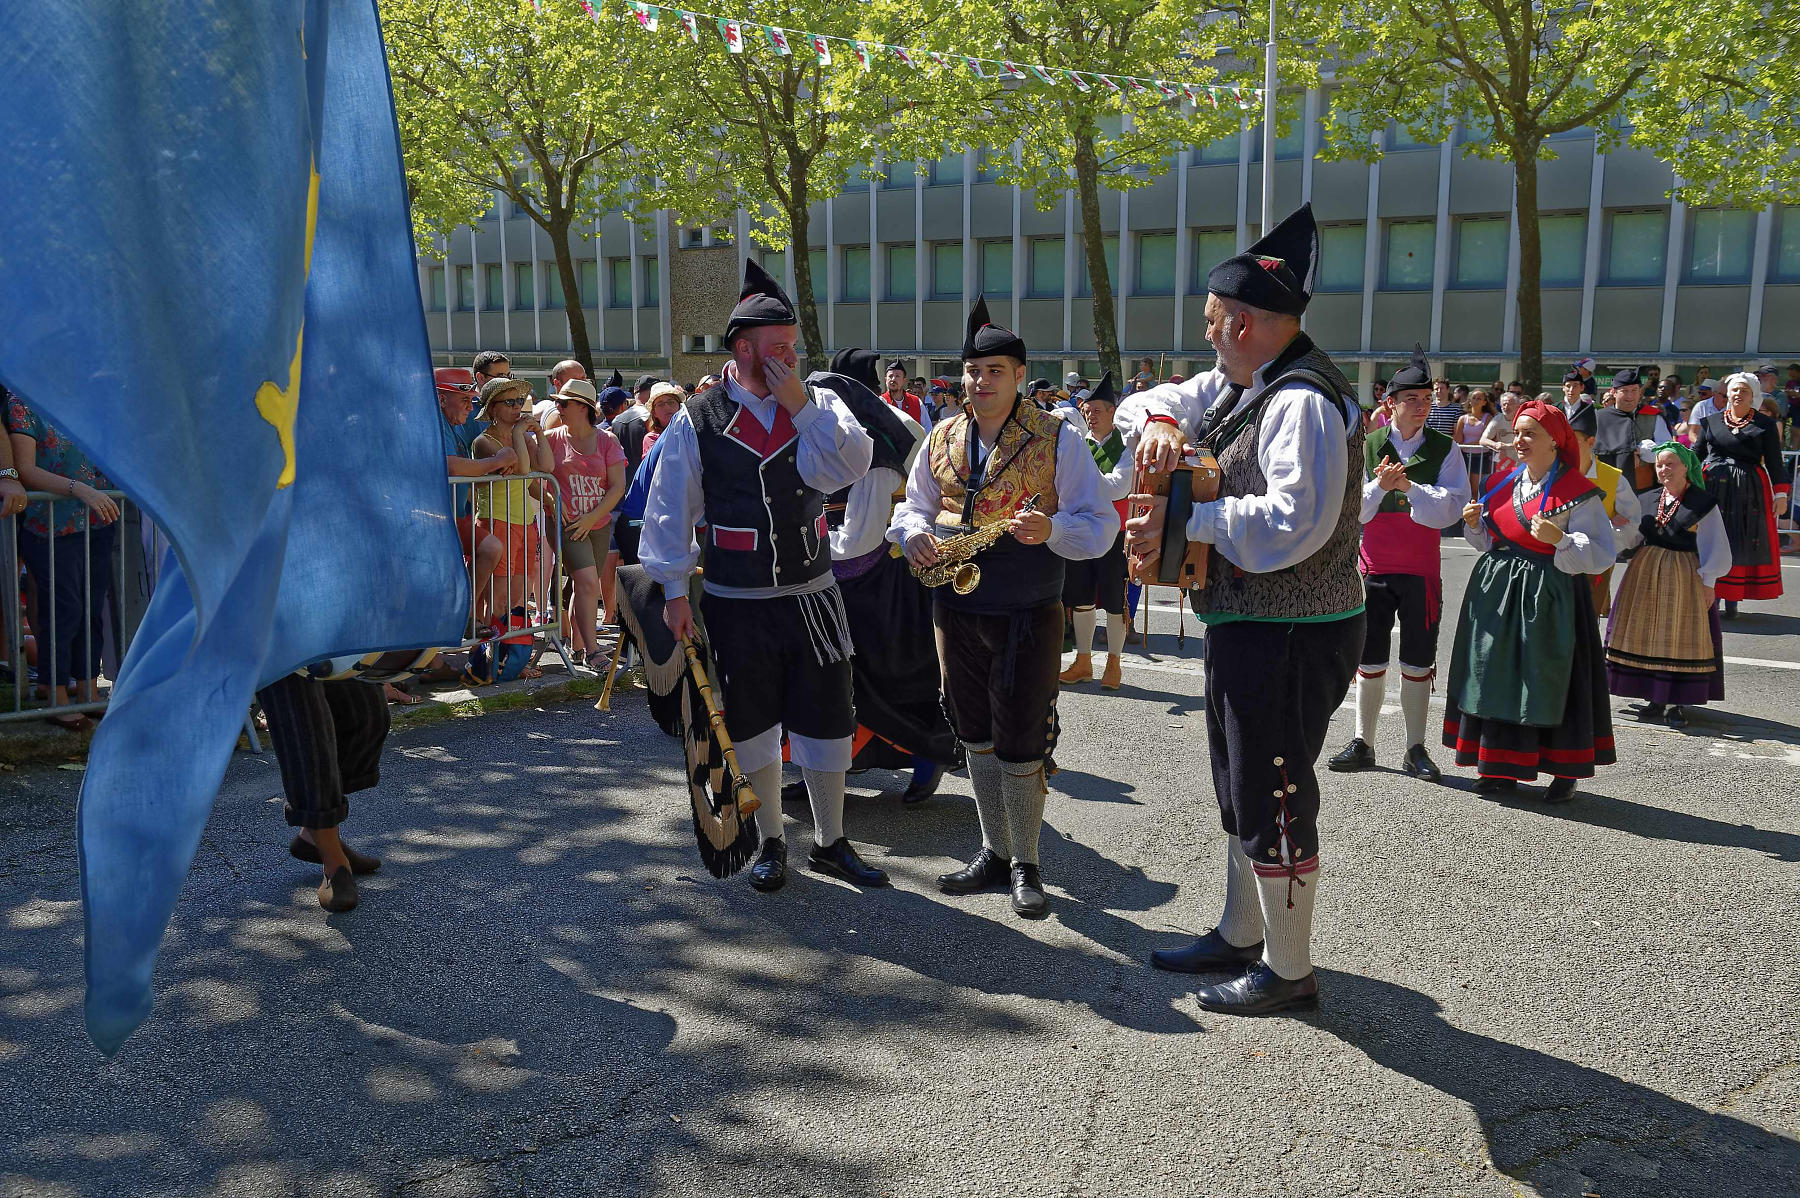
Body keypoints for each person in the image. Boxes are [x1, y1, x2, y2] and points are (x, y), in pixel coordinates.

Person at [1120, 203, 1364, 1015]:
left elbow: (1294, 526)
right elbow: (1160, 398)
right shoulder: (1252, 379)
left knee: (1277, 793)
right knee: (1241, 786)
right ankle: (1240, 933)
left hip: (1291, 629)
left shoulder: (1302, 401)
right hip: (1254, 623)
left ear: (1249, 323)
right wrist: (1158, 418)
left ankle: (1289, 971)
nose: (1209, 337)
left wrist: (1194, 519)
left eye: (1216, 323)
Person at [642, 259, 883, 893]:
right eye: (779, 348)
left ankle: (831, 840)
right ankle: (772, 837)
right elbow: (670, 510)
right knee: (750, 721)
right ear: (743, 348)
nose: (790, 358)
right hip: (735, 598)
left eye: (794, 348)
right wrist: (673, 591)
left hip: (811, 592)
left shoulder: (818, 403)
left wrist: (801, 405)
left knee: (829, 714)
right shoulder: (697, 419)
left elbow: (851, 465)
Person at [890, 298, 1116, 920]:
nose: (980, 381)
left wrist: (1051, 530)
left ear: (1019, 376)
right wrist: (910, 531)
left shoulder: (1057, 436)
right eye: (972, 370)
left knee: (1020, 736)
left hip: (1026, 606)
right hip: (955, 604)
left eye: (994, 370)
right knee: (974, 733)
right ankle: (993, 849)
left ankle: (1027, 861)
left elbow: (1100, 525)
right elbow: (912, 503)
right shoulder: (941, 435)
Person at [1445, 400, 1617, 803]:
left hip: (1552, 596)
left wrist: (1561, 540)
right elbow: (1490, 542)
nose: (1518, 440)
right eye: (1516, 433)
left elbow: (1602, 552)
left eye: (1529, 434)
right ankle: (1499, 767)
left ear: (1555, 442)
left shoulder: (1577, 493)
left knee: (1548, 677)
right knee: (1496, 675)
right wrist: (1475, 527)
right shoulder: (1502, 484)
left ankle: (1564, 769)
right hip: (1499, 594)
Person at [814, 348, 957, 801]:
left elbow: (860, 536)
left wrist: (807, 544)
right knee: (848, 679)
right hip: (856, 576)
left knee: (892, 677)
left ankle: (926, 757)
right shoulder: (859, 435)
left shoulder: (877, 444)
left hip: (880, 579)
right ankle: (843, 762)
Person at [1329, 348, 1470, 783]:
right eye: (1411, 399)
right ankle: (1363, 742)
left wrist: (1410, 488)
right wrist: (1379, 486)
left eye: (1426, 399)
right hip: (1373, 569)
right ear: (1391, 403)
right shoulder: (1370, 446)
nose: (1421, 405)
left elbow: (1453, 508)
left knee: (1417, 659)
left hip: (1421, 571)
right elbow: (1354, 511)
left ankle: (1414, 747)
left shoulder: (1446, 449)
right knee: (1369, 658)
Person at [6, 391, 120, 729]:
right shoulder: (22, 400)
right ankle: (57, 696)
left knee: (91, 608)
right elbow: (25, 470)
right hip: (51, 524)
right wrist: (80, 489)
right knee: (64, 609)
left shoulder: (84, 396)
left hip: (99, 520)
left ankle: (88, 690)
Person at [1604, 441, 1730, 729]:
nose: (1663, 469)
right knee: (1646, 632)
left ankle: (1675, 703)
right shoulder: (1647, 499)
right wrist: (1617, 526)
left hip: (1684, 573)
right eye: (1660, 464)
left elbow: (1714, 544)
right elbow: (1633, 539)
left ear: (1686, 467)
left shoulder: (1702, 502)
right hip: (1645, 571)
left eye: (1670, 463)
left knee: (1678, 635)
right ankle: (1655, 698)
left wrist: (1709, 581)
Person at [256, 673, 390, 912]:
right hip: (264, 643)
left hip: (323, 635)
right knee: (305, 728)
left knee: (368, 713)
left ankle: (312, 837)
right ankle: (333, 861)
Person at [1693, 371, 1790, 617]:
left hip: (1748, 491)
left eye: (1744, 391)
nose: (1738, 394)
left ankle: (1732, 599)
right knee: (1710, 540)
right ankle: (1709, 595)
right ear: (1727, 394)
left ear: (1753, 396)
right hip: (1712, 487)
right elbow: (1696, 455)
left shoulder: (1764, 425)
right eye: (1735, 390)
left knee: (1740, 540)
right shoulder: (1711, 421)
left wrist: (1781, 495)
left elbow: (1776, 463)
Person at [470, 376, 553, 662]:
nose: (518, 407)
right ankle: (491, 657)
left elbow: (543, 467)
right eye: (510, 402)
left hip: (524, 521)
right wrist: (520, 435)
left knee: (519, 596)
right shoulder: (483, 441)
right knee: (500, 596)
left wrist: (538, 433)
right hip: (498, 520)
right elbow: (521, 470)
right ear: (493, 408)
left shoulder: (523, 437)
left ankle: (511, 658)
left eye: (520, 401)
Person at [1058, 372, 1133, 691]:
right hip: (1081, 531)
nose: (1090, 417)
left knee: (1115, 602)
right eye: (1087, 412)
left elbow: (1119, 487)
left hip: (1114, 535)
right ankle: (1084, 661)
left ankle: (1114, 664)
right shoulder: (1080, 445)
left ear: (1112, 412)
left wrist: (1085, 481)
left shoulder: (1125, 446)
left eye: (1097, 411)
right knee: (1081, 598)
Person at [545, 378, 626, 668]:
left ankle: (578, 648)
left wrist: (592, 517)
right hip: (566, 525)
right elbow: (532, 478)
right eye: (558, 402)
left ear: (583, 408)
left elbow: (617, 486)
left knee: (585, 587)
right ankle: (593, 652)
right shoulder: (550, 438)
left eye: (563, 403)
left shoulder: (608, 440)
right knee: (589, 581)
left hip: (598, 524)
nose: (558, 407)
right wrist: (551, 501)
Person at [1566, 401, 1641, 619]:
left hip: (1595, 566)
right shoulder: (1555, 474)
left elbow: (1631, 523)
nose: (1567, 447)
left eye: (1573, 441)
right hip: (1557, 564)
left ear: (1590, 442)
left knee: (1587, 621)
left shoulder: (1612, 478)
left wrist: (1601, 544)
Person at [1593, 368, 1670, 495]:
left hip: (1644, 488)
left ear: (1640, 392)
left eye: (1634, 390)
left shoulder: (1653, 416)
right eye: (1624, 391)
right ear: (1614, 392)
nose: (1630, 396)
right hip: (1605, 487)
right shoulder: (1599, 418)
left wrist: (1640, 451)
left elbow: (1666, 451)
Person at [881, 360, 931, 429]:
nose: (893, 379)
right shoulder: (880, 402)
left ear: (904, 380)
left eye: (897, 376)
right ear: (886, 379)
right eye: (890, 376)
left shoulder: (916, 402)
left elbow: (927, 427)